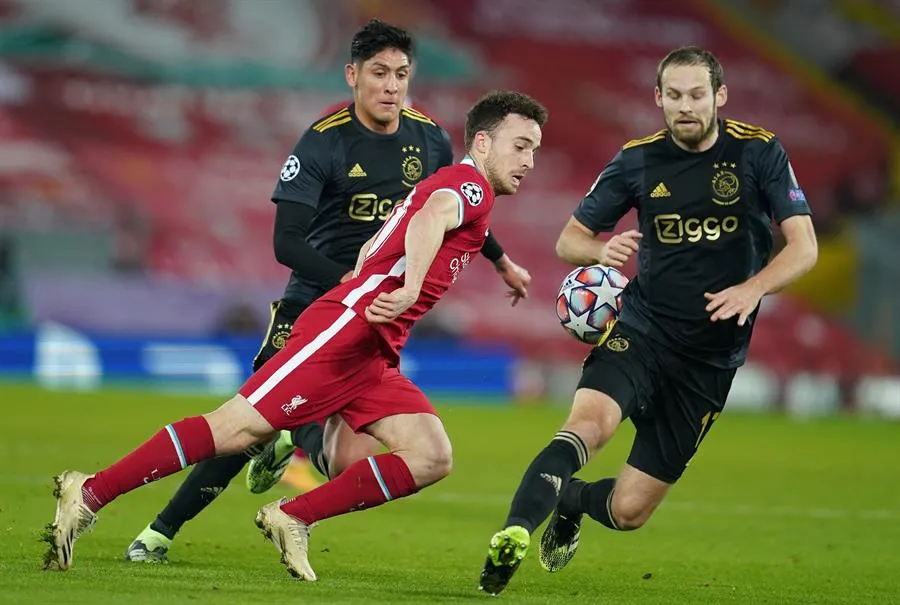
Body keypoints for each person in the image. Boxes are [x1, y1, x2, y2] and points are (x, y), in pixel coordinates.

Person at [43, 90, 549, 580]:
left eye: (535, 150)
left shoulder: (471, 201)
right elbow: (432, 215)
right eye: (520, 146)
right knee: (234, 430)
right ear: (482, 143)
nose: (528, 160)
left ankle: (293, 515)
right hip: (345, 332)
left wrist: (469, 266)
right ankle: (89, 493)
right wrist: (409, 282)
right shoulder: (469, 186)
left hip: (374, 350)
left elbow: (387, 238)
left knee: (430, 455)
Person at [478, 46, 819, 596]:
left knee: (629, 511)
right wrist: (602, 250)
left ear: (719, 96)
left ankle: (571, 500)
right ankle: (513, 533)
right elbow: (569, 240)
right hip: (640, 333)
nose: (686, 106)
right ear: (659, 98)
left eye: (697, 94)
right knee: (587, 426)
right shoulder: (637, 160)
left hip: (709, 362)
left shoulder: (759, 153)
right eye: (675, 95)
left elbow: (804, 248)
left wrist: (752, 289)